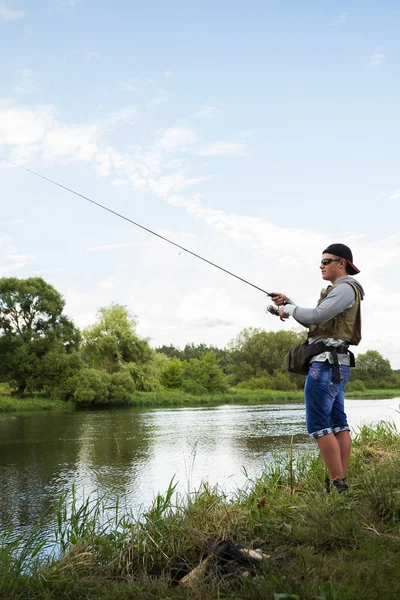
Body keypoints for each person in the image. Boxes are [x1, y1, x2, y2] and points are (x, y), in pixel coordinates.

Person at [272, 243, 365, 493]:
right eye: (321, 262)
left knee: (319, 424)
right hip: (334, 365)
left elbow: (315, 316)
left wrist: (290, 309)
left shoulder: (345, 289)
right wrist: (290, 304)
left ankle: (337, 484)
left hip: (325, 366)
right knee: (337, 422)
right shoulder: (341, 291)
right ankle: (341, 482)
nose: (321, 265)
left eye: (326, 261)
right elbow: (317, 318)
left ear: (341, 263)